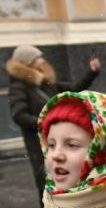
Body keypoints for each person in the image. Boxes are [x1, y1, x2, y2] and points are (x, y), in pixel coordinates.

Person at [7, 45, 101, 198]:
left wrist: (91, 72)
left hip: (57, 139)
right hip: (39, 143)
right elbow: (19, 115)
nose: (42, 60)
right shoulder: (18, 87)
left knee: (64, 178)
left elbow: (74, 89)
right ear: (27, 63)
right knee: (46, 181)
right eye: (38, 58)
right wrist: (46, 122)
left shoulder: (46, 83)